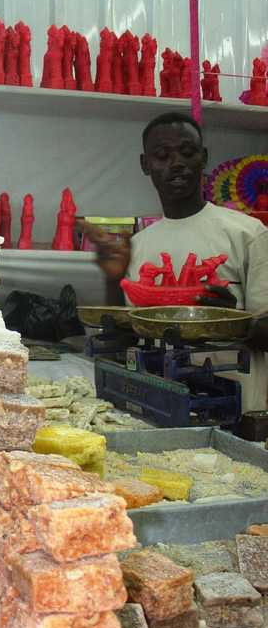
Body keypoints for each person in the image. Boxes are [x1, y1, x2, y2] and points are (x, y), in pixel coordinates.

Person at [86, 111, 268, 412]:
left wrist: (234, 321)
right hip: (156, 408)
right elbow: (122, 336)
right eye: (162, 155)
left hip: (238, 410)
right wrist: (111, 280)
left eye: (187, 152)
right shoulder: (138, 246)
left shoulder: (249, 234)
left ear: (204, 157)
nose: (177, 163)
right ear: (146, 165)